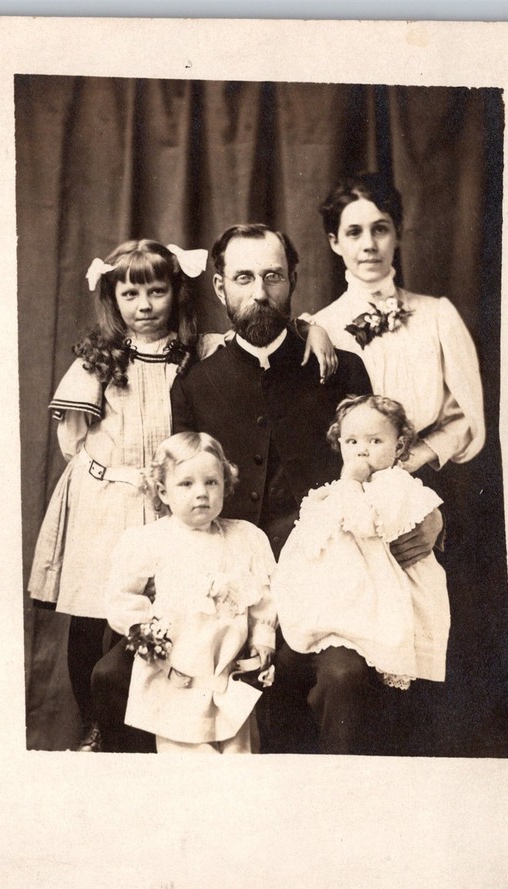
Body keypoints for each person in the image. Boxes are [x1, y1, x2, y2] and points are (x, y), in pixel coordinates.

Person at [168, 224, 444, 752]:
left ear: (293, 281)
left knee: (343, 680)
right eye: (244, 278)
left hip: (328, 584)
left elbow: (383, 468)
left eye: (273, 276)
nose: (259, 292)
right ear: (220, 288)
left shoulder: (342, 371)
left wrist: (432, 517)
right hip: (234, 581)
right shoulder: (196, 384)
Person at [28, 238, 207, 750]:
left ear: (176, 292)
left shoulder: (196, 353)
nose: (144, 306)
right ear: (114, 298)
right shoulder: (99, 361)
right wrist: (115, 477)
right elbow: (73, 439)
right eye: (131, 295)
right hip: (104, 502)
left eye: (156, 291)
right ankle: (97, 723)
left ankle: (155, 720)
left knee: (160, 609)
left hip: (165, 502)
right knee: (91, 618)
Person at [273, 395, 450, 753]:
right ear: (339, 443)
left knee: (344, 675)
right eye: (352, 442)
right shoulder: (336, 491)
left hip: (377, 601)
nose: (362, 452)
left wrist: (351, 484)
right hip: (342, 598)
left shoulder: (396, 487)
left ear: (399, 446)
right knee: (287, 668)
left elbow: (367, 525)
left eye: (375, 442)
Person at [105, 432, 276, 754]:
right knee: (188, 760)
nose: (201, 493)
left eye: (212, 482)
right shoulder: (149, 540)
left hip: (229, 673)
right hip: (175, 672)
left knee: (239, 760)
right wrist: (146, 635)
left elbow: (264, 600)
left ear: (225, 484)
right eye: (186, 484)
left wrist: (262, 638)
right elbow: (122, 597)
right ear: (162, 491)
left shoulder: (245, 538)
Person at [307, 172, 485, 475]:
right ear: (335, 242)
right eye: (354, 232)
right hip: (346, 484)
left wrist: (419, 454)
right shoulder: (320, 327)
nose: (369, 245)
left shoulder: (437, 316)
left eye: (380, 229)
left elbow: (465, 414)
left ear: (398, 233)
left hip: (424, 479)